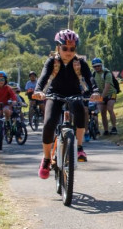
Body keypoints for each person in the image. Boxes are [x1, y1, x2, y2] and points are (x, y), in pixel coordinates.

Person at [31, 29, 103, 177]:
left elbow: (90, 78)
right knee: (49, 122)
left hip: (75, 94)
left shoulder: (80, 62)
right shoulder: (52, 61)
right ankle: (45, 158)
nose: (68, 52)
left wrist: (95, 91)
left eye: (72, 49)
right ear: (58, 47)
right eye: (65, 48)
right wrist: (38, 90)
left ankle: (79, 147)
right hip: (54, 94)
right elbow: (43, 77)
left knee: (81, 111)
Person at [92, 57, 121, 135]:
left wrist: (101, 98)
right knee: (102, 112)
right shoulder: (94, 74)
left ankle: (114, 127)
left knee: (110, 108)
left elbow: (107, 87)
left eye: (98, 66)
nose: (97, 67)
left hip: (111, 93)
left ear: (101, 65)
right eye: (95, 66)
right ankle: (106, 130)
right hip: (101, 94)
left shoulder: (107, 73)